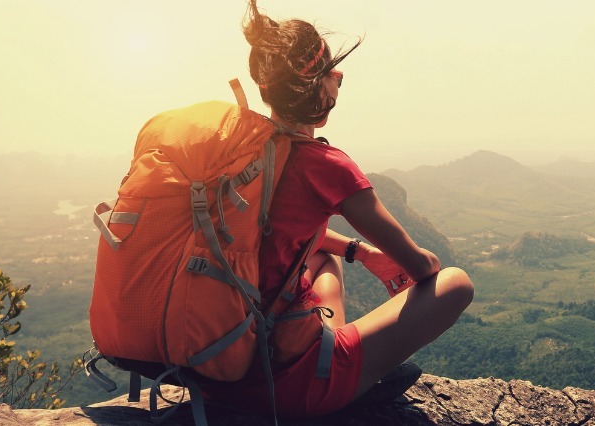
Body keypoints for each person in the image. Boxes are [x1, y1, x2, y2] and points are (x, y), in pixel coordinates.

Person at [198, 1, 475, 417]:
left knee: (326, 257)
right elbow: (422, 268)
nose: (337, 84)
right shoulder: (327, 166)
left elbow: (270, 231)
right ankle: (341, 375)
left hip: (218, 366)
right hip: (289, 388)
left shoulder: (244, 152)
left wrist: (359, 252)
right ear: (317, 87)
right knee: (455, 284)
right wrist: (417, 260)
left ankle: (328, 342)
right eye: (335, 76)